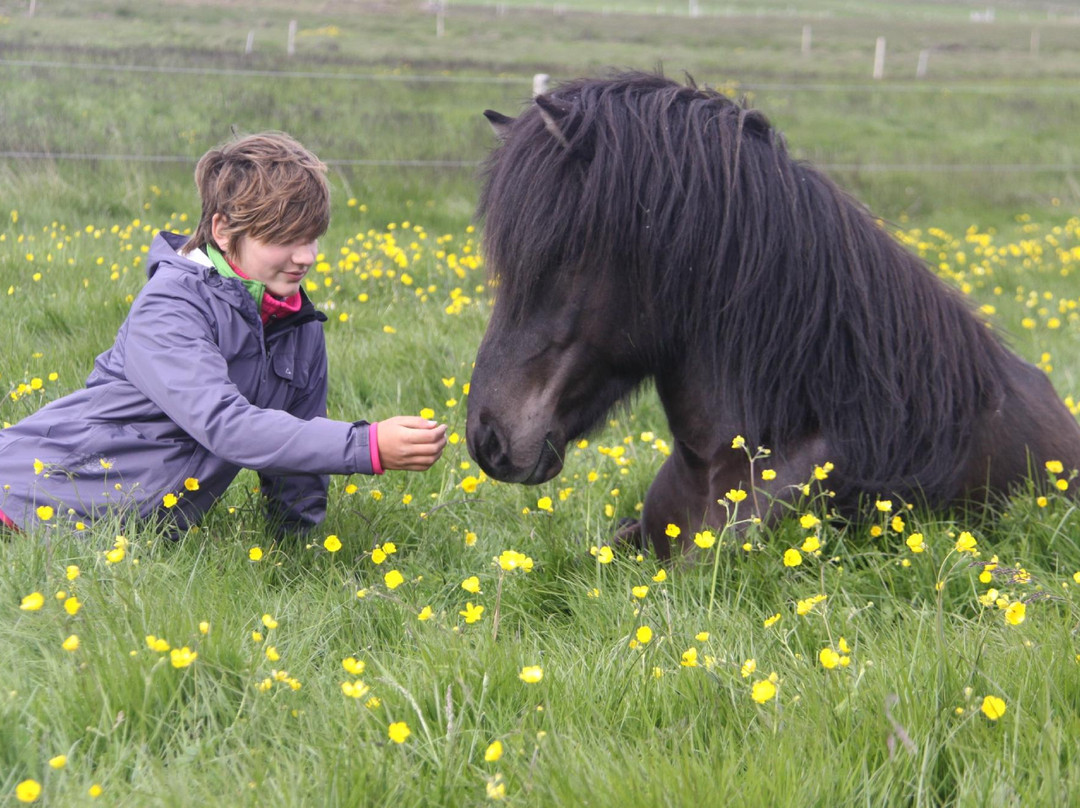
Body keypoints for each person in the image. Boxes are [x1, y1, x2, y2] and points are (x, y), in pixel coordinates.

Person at [0, 132, 447, 536]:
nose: (306, 256)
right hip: (26, 501)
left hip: (120, 537)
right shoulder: (171, 306)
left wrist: (294, 555)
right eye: (285, 238)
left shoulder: (296, 322)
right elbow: (225, 423)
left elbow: (297, 465)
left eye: (313, 237)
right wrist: (365, 445)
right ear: (223, 230)